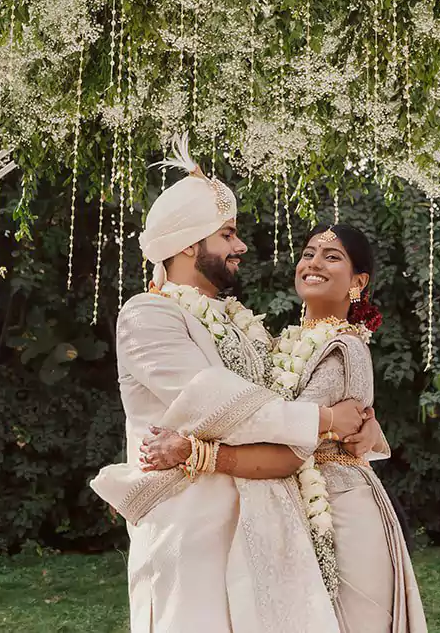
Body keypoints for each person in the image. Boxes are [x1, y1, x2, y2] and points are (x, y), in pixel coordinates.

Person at [90, 142, 365, 633]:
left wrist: (360, 416)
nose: (240, 247)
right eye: (227, 234)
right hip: (190, 527)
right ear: (188, 244)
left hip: (268, 524)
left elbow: (291, 384)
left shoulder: (241, 324)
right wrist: (323, 420)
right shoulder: (147, 315)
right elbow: (213, 401)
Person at [140, 223, 428, 633]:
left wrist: (194, 452)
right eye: (308, 254)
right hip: (293, 509)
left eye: (332, 257)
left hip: (341, 513)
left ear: (358, 282)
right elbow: (254, 409)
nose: (314, 263)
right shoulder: (278, 345)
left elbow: (286, 444)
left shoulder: (344, 348)